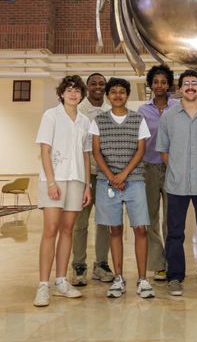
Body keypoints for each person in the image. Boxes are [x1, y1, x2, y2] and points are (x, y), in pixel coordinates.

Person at [157, 69, 197, 296]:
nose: (191, 86)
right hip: (177, 184)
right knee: (175, 232)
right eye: (187, 83)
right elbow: (163, 150)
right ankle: (175, 276)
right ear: (180, 88)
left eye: (195, 83)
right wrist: (177, 168)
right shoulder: (168, 116)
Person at [90, 77, 154, 299]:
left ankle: (143, 279)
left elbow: (141, 150)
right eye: (113, 92)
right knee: (114, 229)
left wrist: (123, 174)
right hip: (106, 182)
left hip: (134, 180)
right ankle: (118, 278)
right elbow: (96, 152)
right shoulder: (98, 120)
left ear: (127, 95)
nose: (117, 95)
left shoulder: (139, 119)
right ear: (108, 96)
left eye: (122, 92)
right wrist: (112, 176)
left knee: (141, 229)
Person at [33, 75, 93, 307]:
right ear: (61, 93)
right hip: (54, 179)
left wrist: (87, 184)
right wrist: (50, 182)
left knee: (68, 230)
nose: (73, 93)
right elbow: (45, 150)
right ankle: (43, 285)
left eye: (77, 90)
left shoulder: (85, 121)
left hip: (77, 180)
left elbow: (86, 154)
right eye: (69, 90)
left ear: (81, 95)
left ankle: (60, 281)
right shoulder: (51, 115)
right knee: (50, 229)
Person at [70, 73, 114, 286]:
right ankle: (79, 266)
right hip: (83, 176)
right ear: (87, 87)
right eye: (94, 83)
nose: (98, 87)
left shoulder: (110, 111)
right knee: (80, 223)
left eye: (102, 84)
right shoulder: (78, 111)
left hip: (105, 175)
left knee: (104, 222)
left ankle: (101, 264)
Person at [137, 64, 178, 281]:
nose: (159, 85)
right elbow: (139, 141)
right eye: (156, 82)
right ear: (151, 85)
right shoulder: (143, 111)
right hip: (149, 167)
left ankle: (172, 261)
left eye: (163, 81)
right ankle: (158, 264)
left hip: (173, 167)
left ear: (169, 84)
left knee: (171, 218)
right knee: (151, 218)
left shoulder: (178, 107)